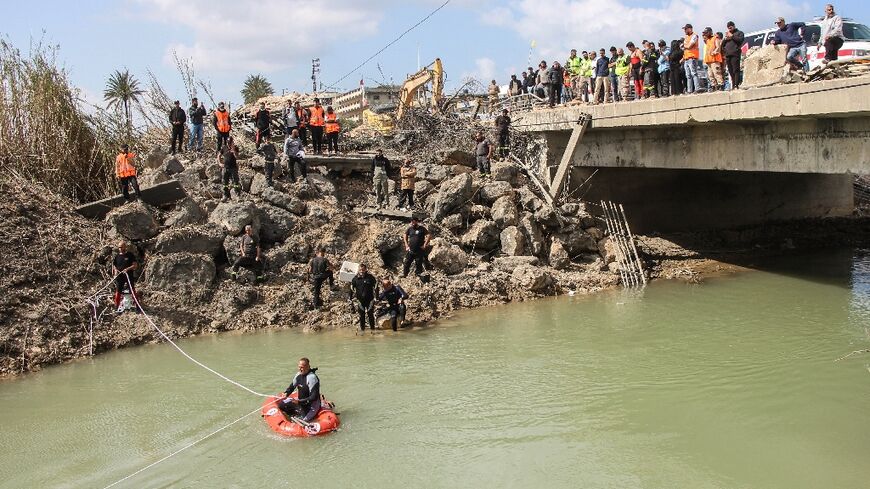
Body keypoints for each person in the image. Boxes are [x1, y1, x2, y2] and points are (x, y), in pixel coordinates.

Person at [276, 358, 322, 423]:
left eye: (302, 367)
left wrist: (299, 401)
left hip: (310, 406)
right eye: (299, 367)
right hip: (300, 402)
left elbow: (313, 397)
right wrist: (286, 393)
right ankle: (291, 416)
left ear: (308, 367)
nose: (300, 369)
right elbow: (292, 386)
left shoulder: (312, 378)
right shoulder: (298, 375)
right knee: (281, 405)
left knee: (302, 421)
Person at [112, 240, 139, 311]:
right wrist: (115, 272)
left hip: (128, 276)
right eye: (119, 247)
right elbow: (114, 265)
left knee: (132, 291)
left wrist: (127, 269)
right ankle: (116, 307)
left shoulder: (130, 255)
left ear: (125, 247)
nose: (120, 248)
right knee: (118, 291)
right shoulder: (117, 256)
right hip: (120, 277)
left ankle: (138, 306)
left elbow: (135, 265)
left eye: (121, 247)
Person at [350, 264, 378, 331]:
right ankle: (363, 331)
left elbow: (376, 287)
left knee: (370, 315)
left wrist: (377, 297)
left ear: (365, 270)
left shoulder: (370, 277)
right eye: (360, 270)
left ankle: (372, 330)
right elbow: (351, 289)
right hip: (360, 301)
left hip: (370, 300)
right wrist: (350, 298)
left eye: (363, 270)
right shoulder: (355, 278)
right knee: (361, 316)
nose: (361, 271)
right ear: (358, 270)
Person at [722, 21, 745, 89]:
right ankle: (733, 84)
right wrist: (725, 39)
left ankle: (736, 85)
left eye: (730, 27)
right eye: (728, 28)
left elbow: (740, 40)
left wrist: (732, 36)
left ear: (734, 26)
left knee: (736, 70)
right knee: (730, 71)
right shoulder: (728, 34)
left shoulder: (739, 33)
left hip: (735, 54)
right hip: (728, 55)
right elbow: (722, 45)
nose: (729, 29)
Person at [681, 24, 702, 94]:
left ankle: (697, 88)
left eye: (686, 29)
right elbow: (684, 47)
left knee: (694, 73)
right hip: (686, 58)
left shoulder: (694, 36)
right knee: (688, 76)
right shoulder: (686, 37)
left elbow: (689, 46)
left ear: (690, 29)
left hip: (692, 57)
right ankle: (689, 90)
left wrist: (684, 46)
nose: (685, 31)